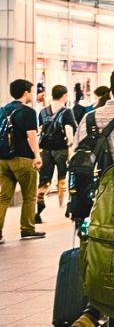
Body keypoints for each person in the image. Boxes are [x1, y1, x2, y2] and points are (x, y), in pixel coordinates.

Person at [0, 79, 45, 241]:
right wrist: (37, 155)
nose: (32, 95)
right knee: (29, 196)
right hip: (23, 159)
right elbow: (31, 135)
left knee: (3, 197)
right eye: (32, 91)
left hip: (3, 159)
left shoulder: (2, 110)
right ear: (26, 93)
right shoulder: (28, 112)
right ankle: (27, 229)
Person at [36, 84, 76, 222]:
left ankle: (38, 210)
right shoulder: (67, 111)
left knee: (44, 179)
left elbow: (40, 130)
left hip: (45, 150)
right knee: (62, 177)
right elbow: (69, 129)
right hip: (61, 149)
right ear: (64, 95)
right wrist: (71, 144)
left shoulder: (42, 111)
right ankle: (62, 206)